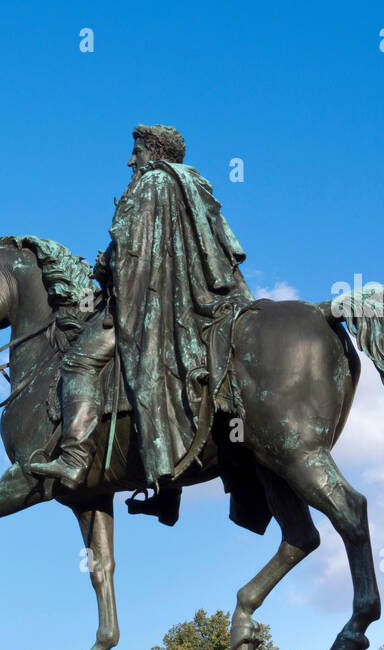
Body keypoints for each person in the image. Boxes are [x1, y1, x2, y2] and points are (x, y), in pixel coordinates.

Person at [30, 125, 252, 491]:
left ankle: (73, 459)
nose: (131, 160)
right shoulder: (195, 185)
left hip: (150, 307)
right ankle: (165, 486)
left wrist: (103, 267)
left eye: (137, 151)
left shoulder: (149, 184)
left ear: (154, 151)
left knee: (78, 362)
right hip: (199, 304)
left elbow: (127, 248)